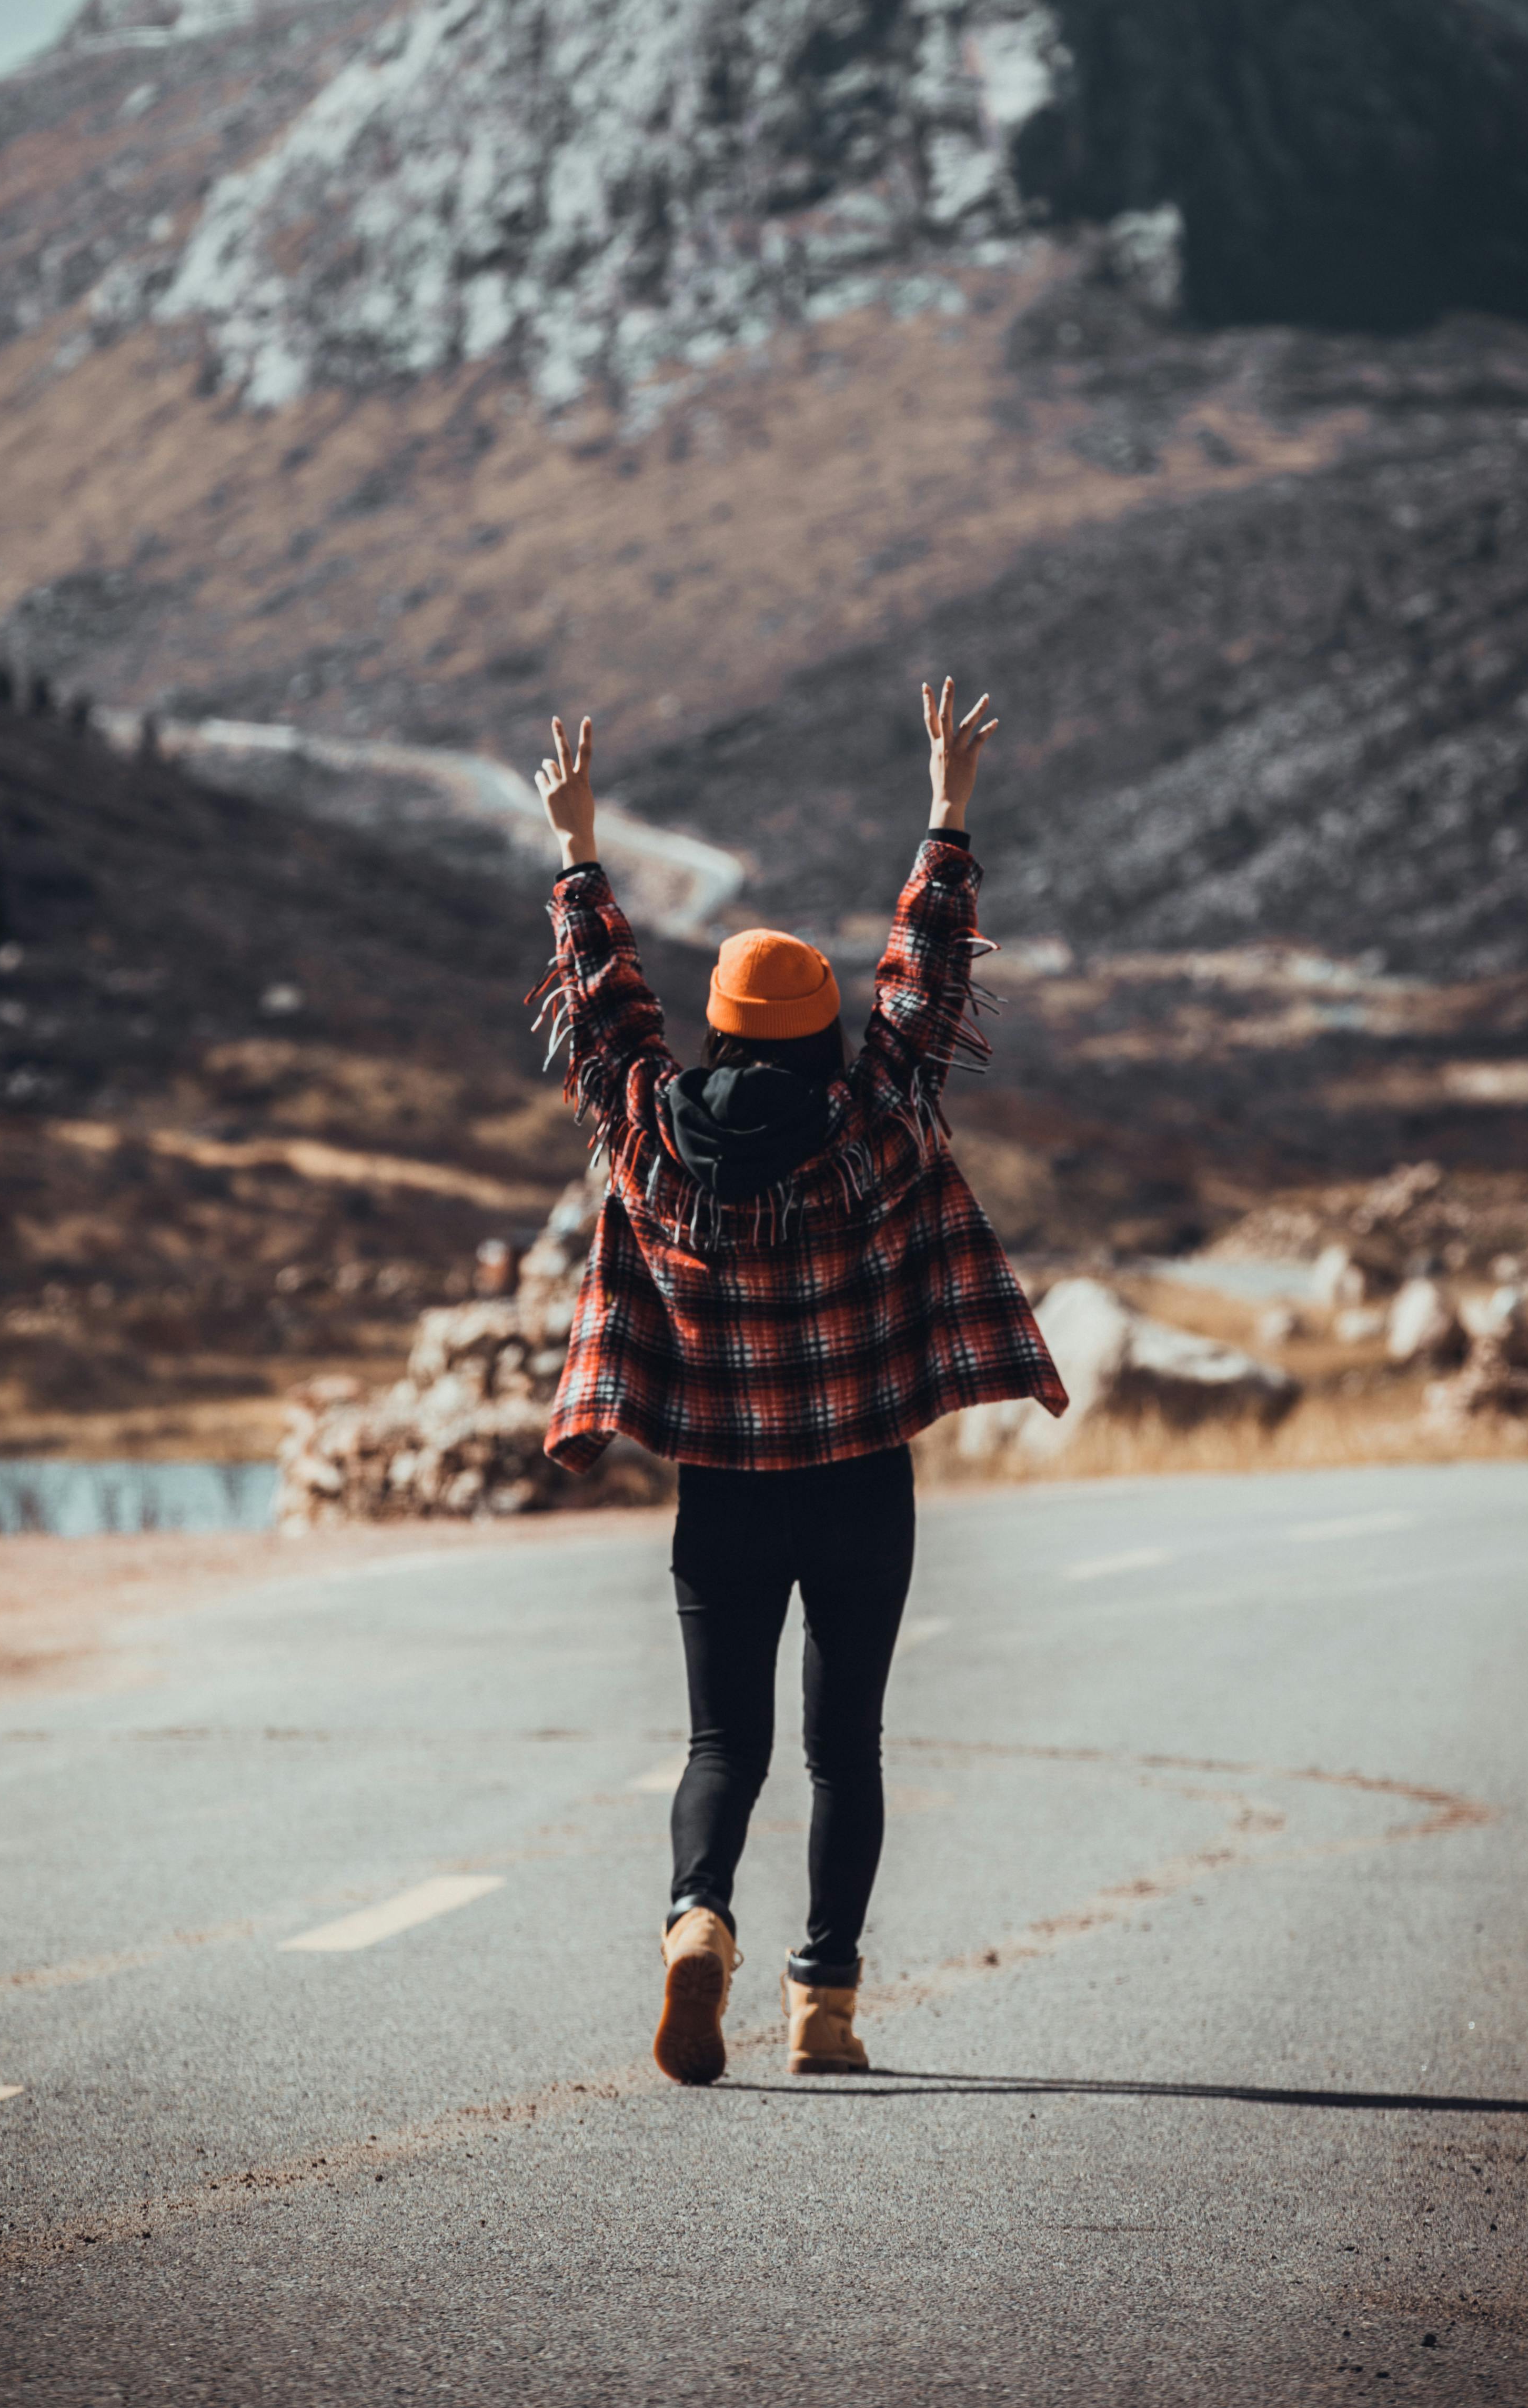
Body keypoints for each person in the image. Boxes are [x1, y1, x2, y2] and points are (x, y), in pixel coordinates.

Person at [530, 680, 1066, 2086]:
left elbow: (602, 1007)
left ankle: (696, 1915)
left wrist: (577, 849)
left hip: (724, 1493)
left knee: (724, 1739)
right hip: (856, 1489)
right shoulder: (876, 1118)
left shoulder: (648, 1133)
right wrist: (948, 809)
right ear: (824, 1035)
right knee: (845, 1748)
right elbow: (927, 980)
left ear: (712, 1033)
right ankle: (823, 2001)